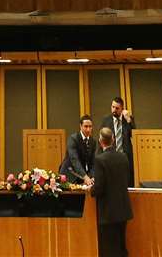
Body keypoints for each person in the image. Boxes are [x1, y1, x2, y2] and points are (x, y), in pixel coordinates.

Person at [91, 127, 132, 257]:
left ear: (100, 141)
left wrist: (91, 189)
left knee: (108, 249)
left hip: (108, 213)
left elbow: (99, 188)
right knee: (121, 247)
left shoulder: (100, 160)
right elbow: (127, 179)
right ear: (113, 140)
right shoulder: (124, 157)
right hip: (123, 209)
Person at [60, 114, 96, 182]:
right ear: (80, 126)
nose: (88, 129)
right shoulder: (73, 139)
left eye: (90, 127)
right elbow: (74, 160)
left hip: (81, 176)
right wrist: (85, 176)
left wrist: (92, 176)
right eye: (86, 126)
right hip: (69, 175)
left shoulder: (93, 141)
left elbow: (93, 162)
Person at [109, 97, 134, 183]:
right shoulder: (106, 120)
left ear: (122, 109)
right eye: (112, 107)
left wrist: (128, 119)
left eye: (117, 108)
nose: (114, 110)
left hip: (125, 159)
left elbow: (133, 134)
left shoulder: (128, 119)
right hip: (112, 158)